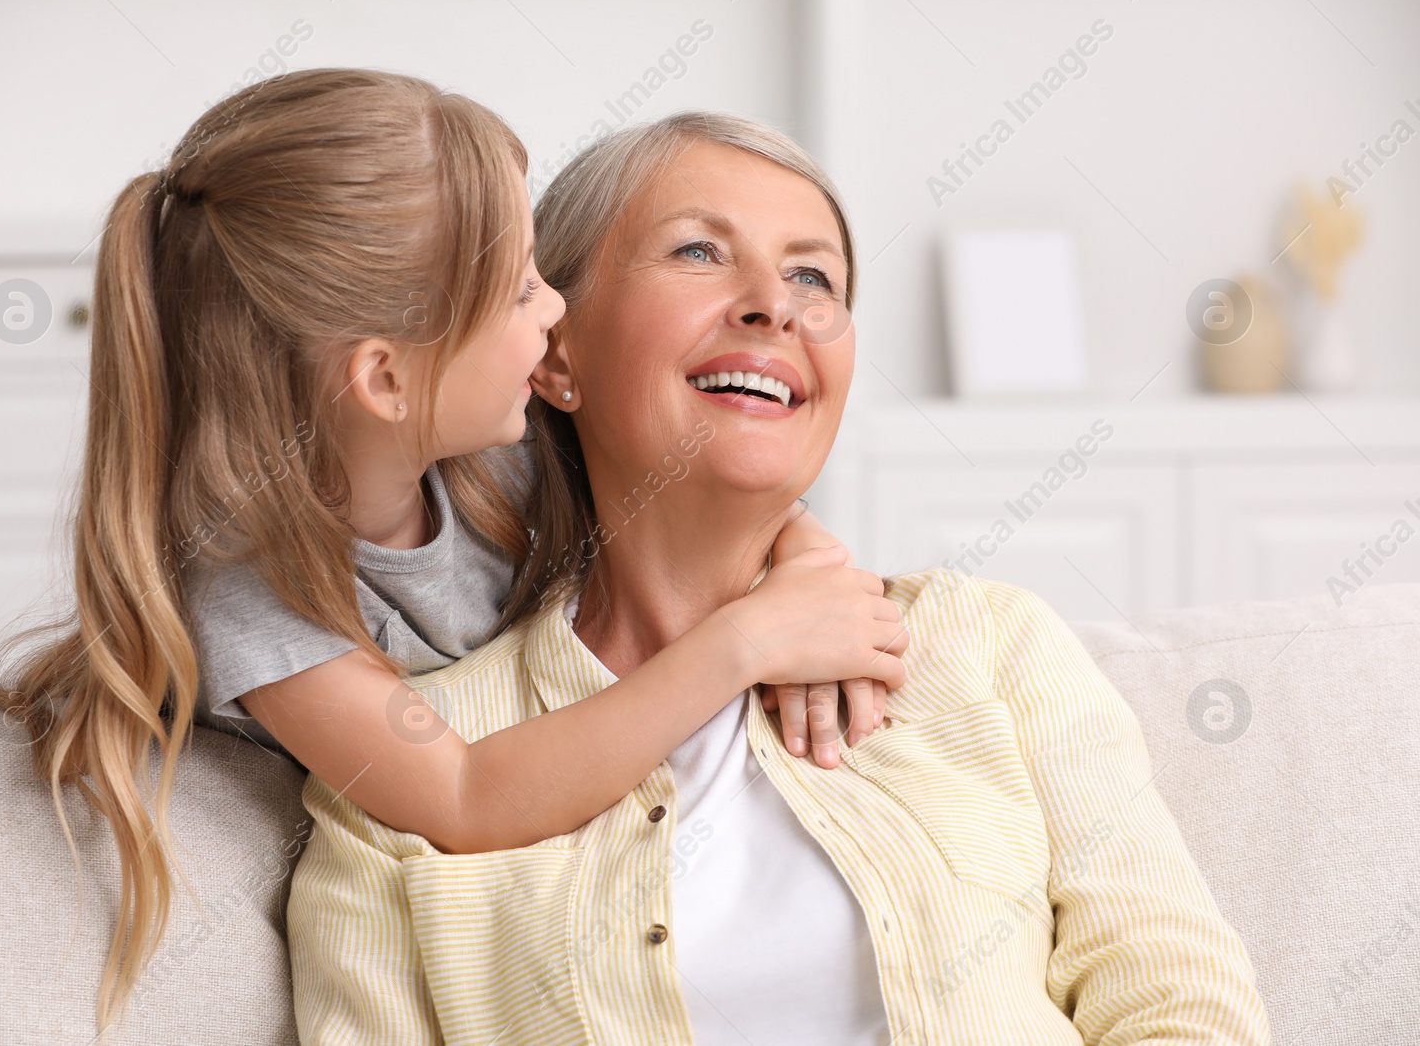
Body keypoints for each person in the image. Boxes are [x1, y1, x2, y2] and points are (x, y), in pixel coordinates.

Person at [287, 111, 1272, 1045]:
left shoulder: (986, 643)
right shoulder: (402, 774)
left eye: (815, 275)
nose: (775, 302)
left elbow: (1178, 999)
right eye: (697, 251)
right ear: (557, 353)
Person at [0, 70, 909, 1039]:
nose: (555, 312)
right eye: (518, 291)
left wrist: (807, 564)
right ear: (385, 377)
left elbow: (714, 491)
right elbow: (464, 795)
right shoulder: (250, 594)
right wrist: (746, 642)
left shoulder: (489, 459)